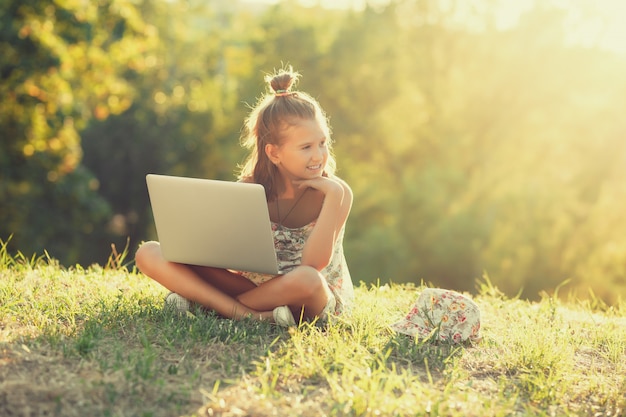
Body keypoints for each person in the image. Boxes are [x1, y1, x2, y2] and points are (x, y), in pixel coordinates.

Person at [135, 66, 354, 326]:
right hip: (251, 287)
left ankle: (211, 307)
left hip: (308, 296)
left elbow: (313, 265)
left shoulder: (337, 193)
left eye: (322, 143)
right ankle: (250, 316)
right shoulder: (248, 189)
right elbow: (223, 254)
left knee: (306, 278)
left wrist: (333, 195)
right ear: (274, 153)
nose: (318, 155)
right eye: (306, 147)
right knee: (148, 253)